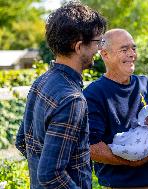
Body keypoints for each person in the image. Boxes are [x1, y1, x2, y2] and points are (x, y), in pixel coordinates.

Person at [15, 2, 106, 189]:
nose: (99, 49)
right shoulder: (72, 99)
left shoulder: (41, 81)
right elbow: (50, 175)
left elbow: (22, 141)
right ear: (79, 47)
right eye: (98, 42)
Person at [83, 28, 148, 188]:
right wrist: (132, 162)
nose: (132, 54)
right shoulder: (94, 94)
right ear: (105, 54)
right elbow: (91, 147)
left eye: (133, 48)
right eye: (124, 49)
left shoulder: (147, 84)